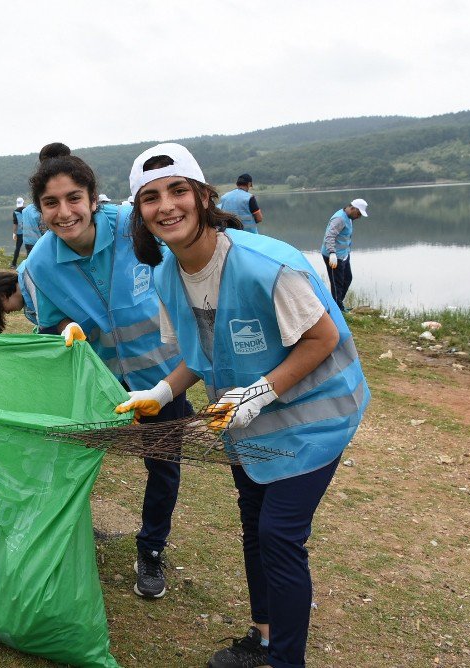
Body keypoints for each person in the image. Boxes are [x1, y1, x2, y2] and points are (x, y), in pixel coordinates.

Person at [116, 143, 369, 668]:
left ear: (205, 197)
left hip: (316, 419)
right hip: (249, 427)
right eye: (151, 197)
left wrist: (260, 391)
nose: (167, 206)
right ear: (139, 212)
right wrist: (163, 392)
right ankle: (264, 638)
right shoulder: (167, 274)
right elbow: (199, 353)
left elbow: (321, 338)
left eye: (178, 191)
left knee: (279, 534)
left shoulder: (263, 264)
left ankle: (285, 662)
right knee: (254, 522)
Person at [20, 142, 192, 600]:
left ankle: (151, 549)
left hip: (163, 376)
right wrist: (63, 327)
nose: (65, 212)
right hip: (98, 384)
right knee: (72, 463)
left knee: (164, 467)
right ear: (40, 210)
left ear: (93, 197)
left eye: (74, 198)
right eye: (51, 203)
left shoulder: (136, 228)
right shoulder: (38, 266)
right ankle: (57, 545)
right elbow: (46, 323)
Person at [320, 198, 368, 312]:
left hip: (343, 255)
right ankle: (337, 311)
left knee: (347, 278)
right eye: (359, 213)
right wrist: (332, 253)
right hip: (333, 257)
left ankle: (338, 305)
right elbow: (329, 236)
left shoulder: (350, 218)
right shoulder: (339, 219)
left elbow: (345, 236)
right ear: (352, 208)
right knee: (337, 283)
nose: (359, 216)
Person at [10, 197, 26, 269]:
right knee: (29, 248)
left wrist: (14, 233)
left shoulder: (15, 212)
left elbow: (15, 224)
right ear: (23, 202)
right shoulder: (27, 210)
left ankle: (13, 264)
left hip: (19, 233)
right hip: (28, 232)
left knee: (17, 248)